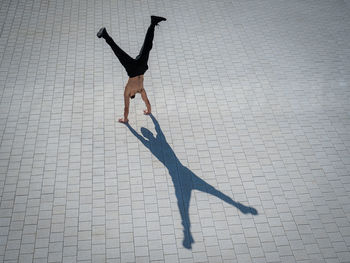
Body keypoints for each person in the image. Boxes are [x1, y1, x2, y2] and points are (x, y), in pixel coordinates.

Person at [97, 16, 167, 123]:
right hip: (133, 70)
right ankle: (105, 35)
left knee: (147, 47)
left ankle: (153, 24)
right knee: (119, 52)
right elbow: (126, 108)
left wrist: (148, 111)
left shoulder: (141, 90)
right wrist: (125, 119)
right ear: (131, 95)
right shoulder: (128, 91)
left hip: (141, 68)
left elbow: (146, 102)